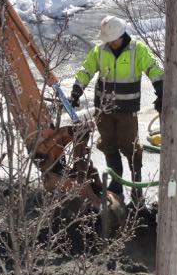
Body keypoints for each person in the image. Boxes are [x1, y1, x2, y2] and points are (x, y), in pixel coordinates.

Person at [69, 15, 164, 205]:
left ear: (122, 35)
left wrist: (161, 91)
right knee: (108, 145)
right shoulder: (100, 50)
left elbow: (153, 69)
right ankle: (117, 183)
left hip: (126, 112)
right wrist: (76, 91)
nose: (111, 43)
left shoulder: (137, 50)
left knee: (131, 148)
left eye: (113, 40)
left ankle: (137, 189)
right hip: (104, 111)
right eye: (108, 40)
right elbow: (86, 70)